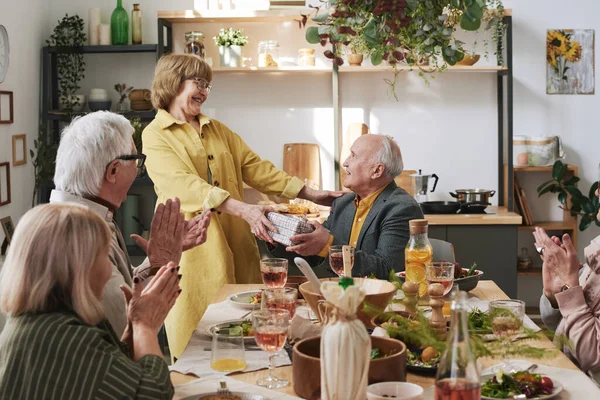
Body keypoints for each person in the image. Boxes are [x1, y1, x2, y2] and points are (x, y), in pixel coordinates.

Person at [143, 53, 343, 358]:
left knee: (245, 335)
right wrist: (244, 210)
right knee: (197, 344)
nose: (204, 91)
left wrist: (310, 194)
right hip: (192, 251)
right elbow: (182, 185)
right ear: (173, 82)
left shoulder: (217, 129)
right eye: (198, 82)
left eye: (208, 85)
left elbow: (256, 167)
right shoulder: (155, 134)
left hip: (236, 243)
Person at [51, 111, 210, 336]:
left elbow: (120, 289)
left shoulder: (81, 216)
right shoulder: (82, 236)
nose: (138, 169)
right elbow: (129, 327)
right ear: (114, 171)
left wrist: (154, 263)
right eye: (136, 160)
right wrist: (166, 261)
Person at [0, 203, 177, 399]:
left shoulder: (39, 320)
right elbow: (156, 393)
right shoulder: (63, 336)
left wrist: (133, 326)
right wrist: (145, 325)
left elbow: (111, 370)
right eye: (103, 257)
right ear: (78, 267)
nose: (110, 270)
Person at [282, 134, 424, 279]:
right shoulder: (343, 203)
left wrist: (329, 245)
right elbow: (314, 255)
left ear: (377, 171)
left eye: (353, 155)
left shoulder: (402, 208)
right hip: (342, 295)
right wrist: (276, 230)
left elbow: (387, 271)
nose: (345, 163)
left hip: (378, 300)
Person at [537, 186, 600, 381]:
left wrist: (570, 287)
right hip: (567, 376)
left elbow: (593, 356)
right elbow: (561, 327)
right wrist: (555, 294)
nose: (598, 191)